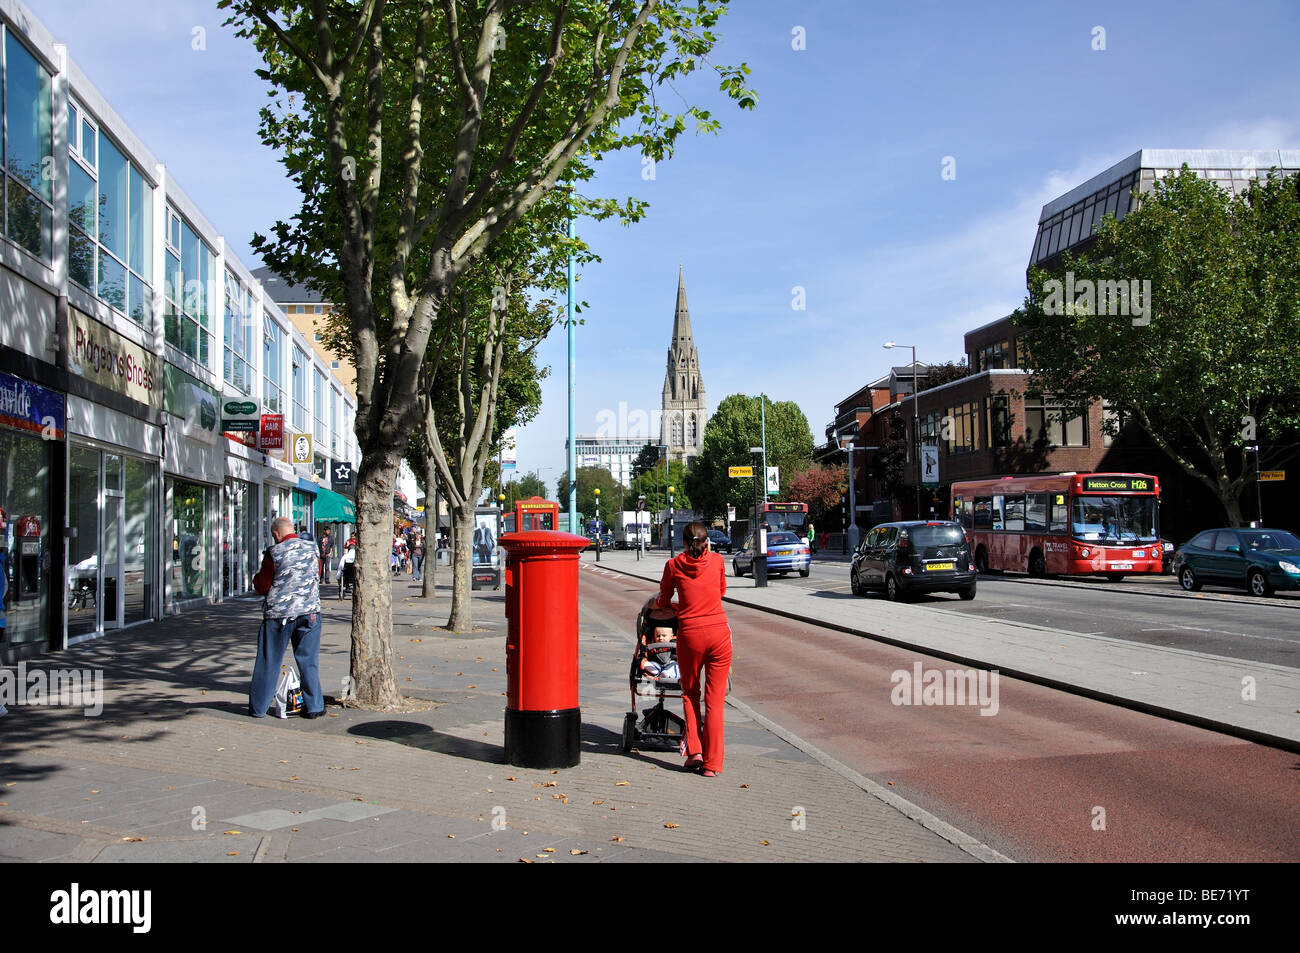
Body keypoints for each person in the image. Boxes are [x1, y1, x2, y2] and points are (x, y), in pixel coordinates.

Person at [652, 520, 731, 777]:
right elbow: (720, 592)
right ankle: (712, 765)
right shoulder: (718, 561)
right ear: (706, 541)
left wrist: (676, 606)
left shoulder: (673, 565)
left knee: (690, 693)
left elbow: (663, 600)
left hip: (690, 635)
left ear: (683, 543)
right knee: (715, 700)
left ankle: (695, 750)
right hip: (719, 634)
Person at [249, 517, 325, 719]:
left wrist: (255, 580)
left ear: (276, 534)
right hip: (310, 612)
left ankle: (258, 708)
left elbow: (263, 585)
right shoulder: (312, 548)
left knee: (269, 660)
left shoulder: (274, 552)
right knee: (309, 660)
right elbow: (317, 573)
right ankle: (315, 706)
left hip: (279, 615)